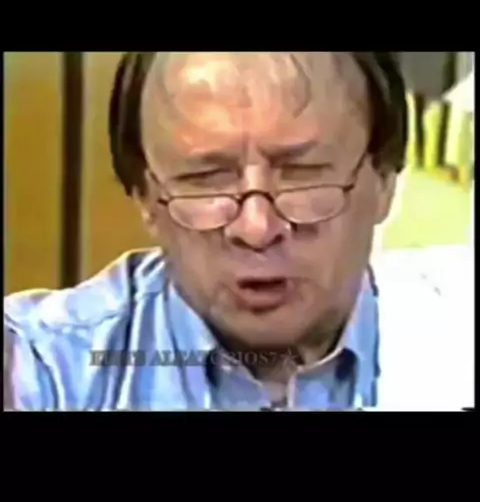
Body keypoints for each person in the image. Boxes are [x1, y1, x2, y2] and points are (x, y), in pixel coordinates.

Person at [4, 52, 473, 411]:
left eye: (303, 173)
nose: (256, 228)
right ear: (146, 196)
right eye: (205, 179)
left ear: (386, 179)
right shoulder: (41, 369)